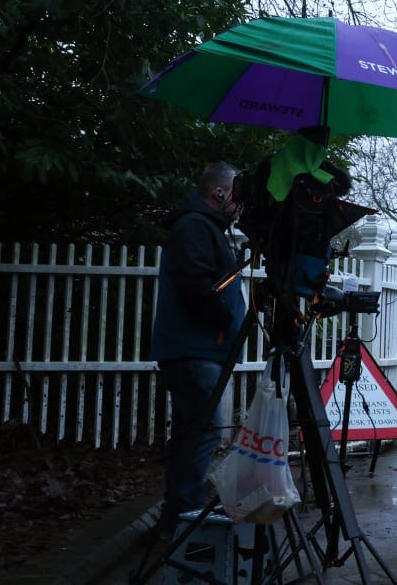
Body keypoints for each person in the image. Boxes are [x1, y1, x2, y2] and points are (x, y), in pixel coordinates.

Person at [150, 162, 246, 533]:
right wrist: (225, 321)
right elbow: (196, 282)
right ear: (219, 193)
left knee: (193, 431)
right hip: (194, 348)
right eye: (236, 195)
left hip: (198, 348)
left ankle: (176, 516)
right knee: (203, 431)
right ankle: (184, 520)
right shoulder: (194, 225)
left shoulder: (204, 225)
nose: (240, 204)